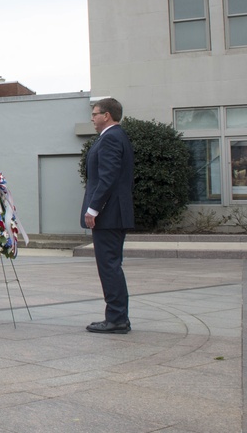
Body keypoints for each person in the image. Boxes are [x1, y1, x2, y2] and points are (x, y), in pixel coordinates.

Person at [81, 97, 135, 334]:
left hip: (109, 214)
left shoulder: (111, 138)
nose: (92, 118)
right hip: (113, 212)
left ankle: (117, 318)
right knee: (112, 265)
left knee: (109, 266)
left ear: (107, 115)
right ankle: (118, 316)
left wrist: (93, 209)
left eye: (95, 114)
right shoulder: (113, 136)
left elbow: (108, 177)